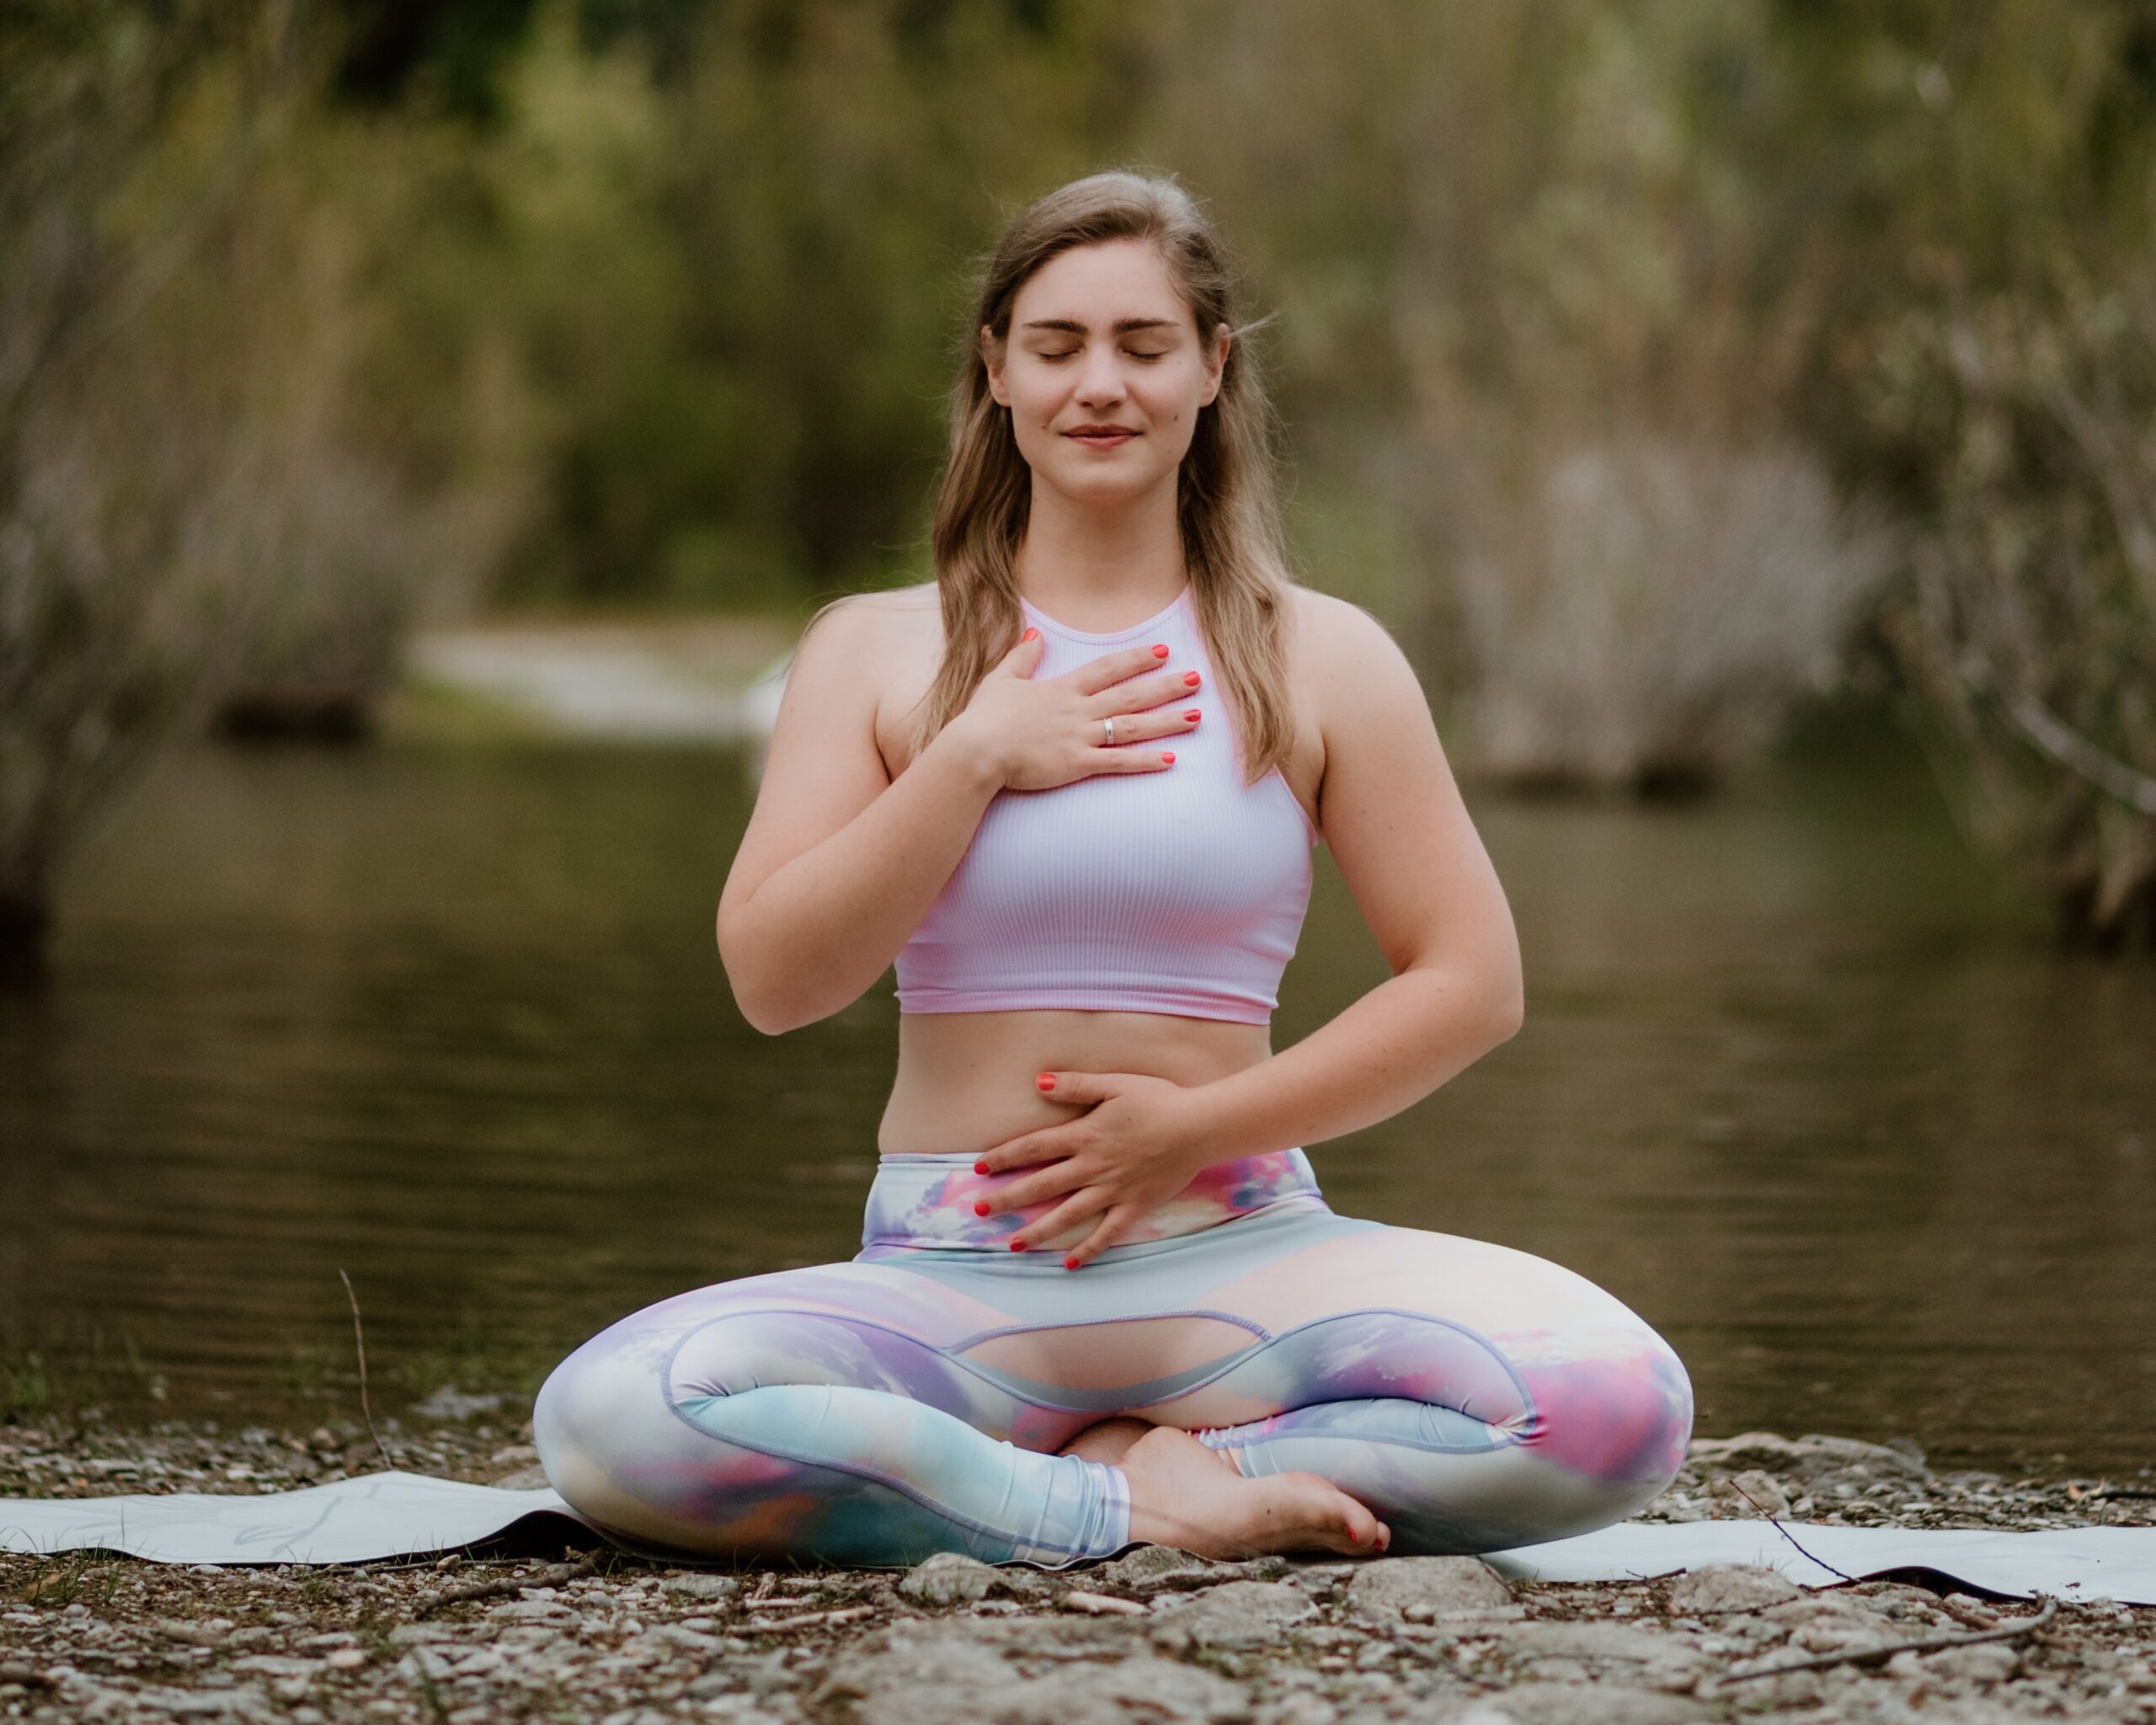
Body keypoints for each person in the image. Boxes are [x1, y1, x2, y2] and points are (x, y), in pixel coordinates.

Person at [532, 171, 1692, 1567]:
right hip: (958, 1279)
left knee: (1621, 1408)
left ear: (1212, 367)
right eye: (1058, 344)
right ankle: (1122, 1503)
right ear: (997, 369)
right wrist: (972, 759)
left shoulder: (1321, 655)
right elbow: (776, 981)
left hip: (1247, 1265)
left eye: (1144, 346)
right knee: (616, 1420)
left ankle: (1162, 1461)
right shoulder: (873, 652)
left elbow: (1472, 984)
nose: (1101, 385)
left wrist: (1198, 1131)